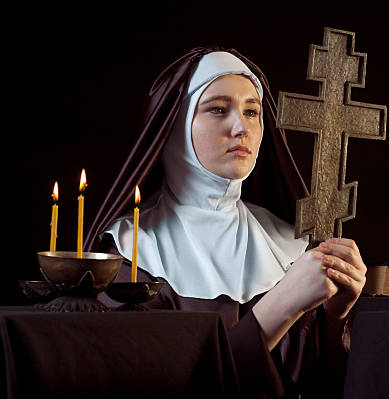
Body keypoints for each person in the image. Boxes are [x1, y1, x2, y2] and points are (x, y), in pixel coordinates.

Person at [85, 47, 367, 398]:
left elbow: (314, 386)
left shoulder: (288, 244)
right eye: (218, 109)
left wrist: (334, 317)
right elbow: (157, 384)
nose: (241, 127)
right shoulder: (131, 253)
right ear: (174, 125)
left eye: (252, 111)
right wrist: (280, 307)